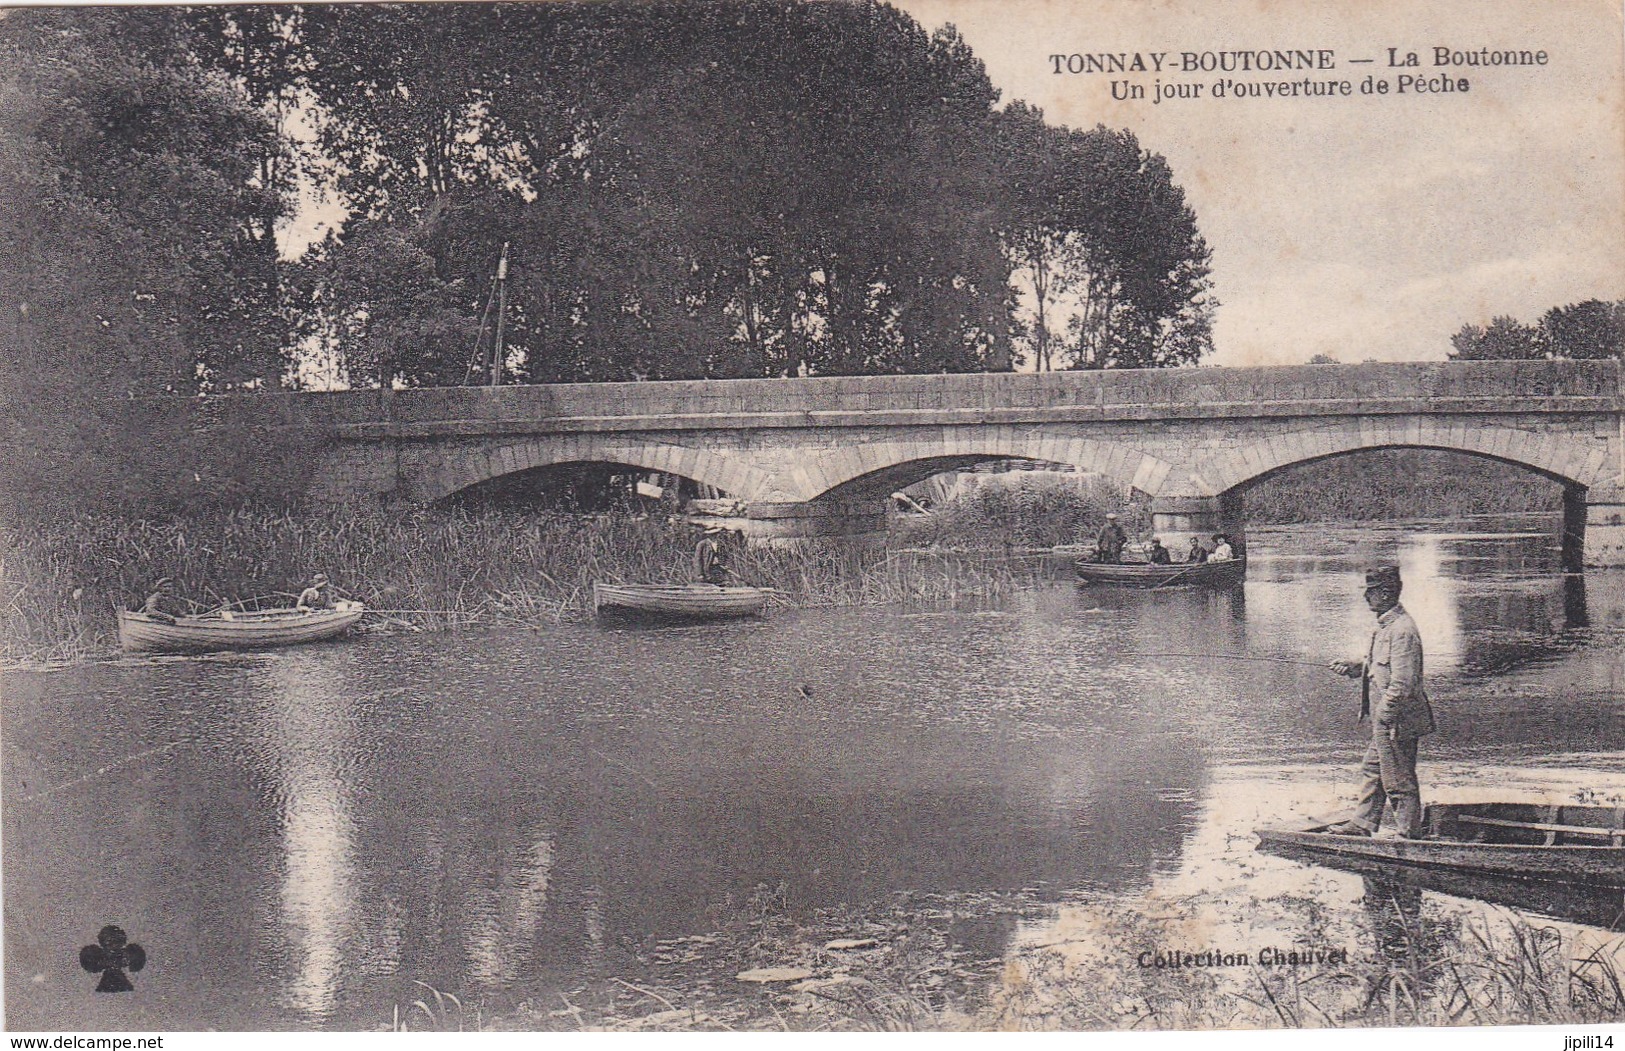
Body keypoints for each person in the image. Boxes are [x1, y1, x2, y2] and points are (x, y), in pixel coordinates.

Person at [1326, 566, 1436, 839]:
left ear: (1386, 594)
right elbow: (1381, 668)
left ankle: (1408, 835)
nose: (1366, 597)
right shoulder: (1387, 626)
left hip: (1396, 720)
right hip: (1387, 720)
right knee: (1374, 771)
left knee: (1398, 779)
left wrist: (1383, 717)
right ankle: (1362, 824)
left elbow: (1403, 684)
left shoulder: (1402, 630)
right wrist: (1356, 668)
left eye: (1370, 591)